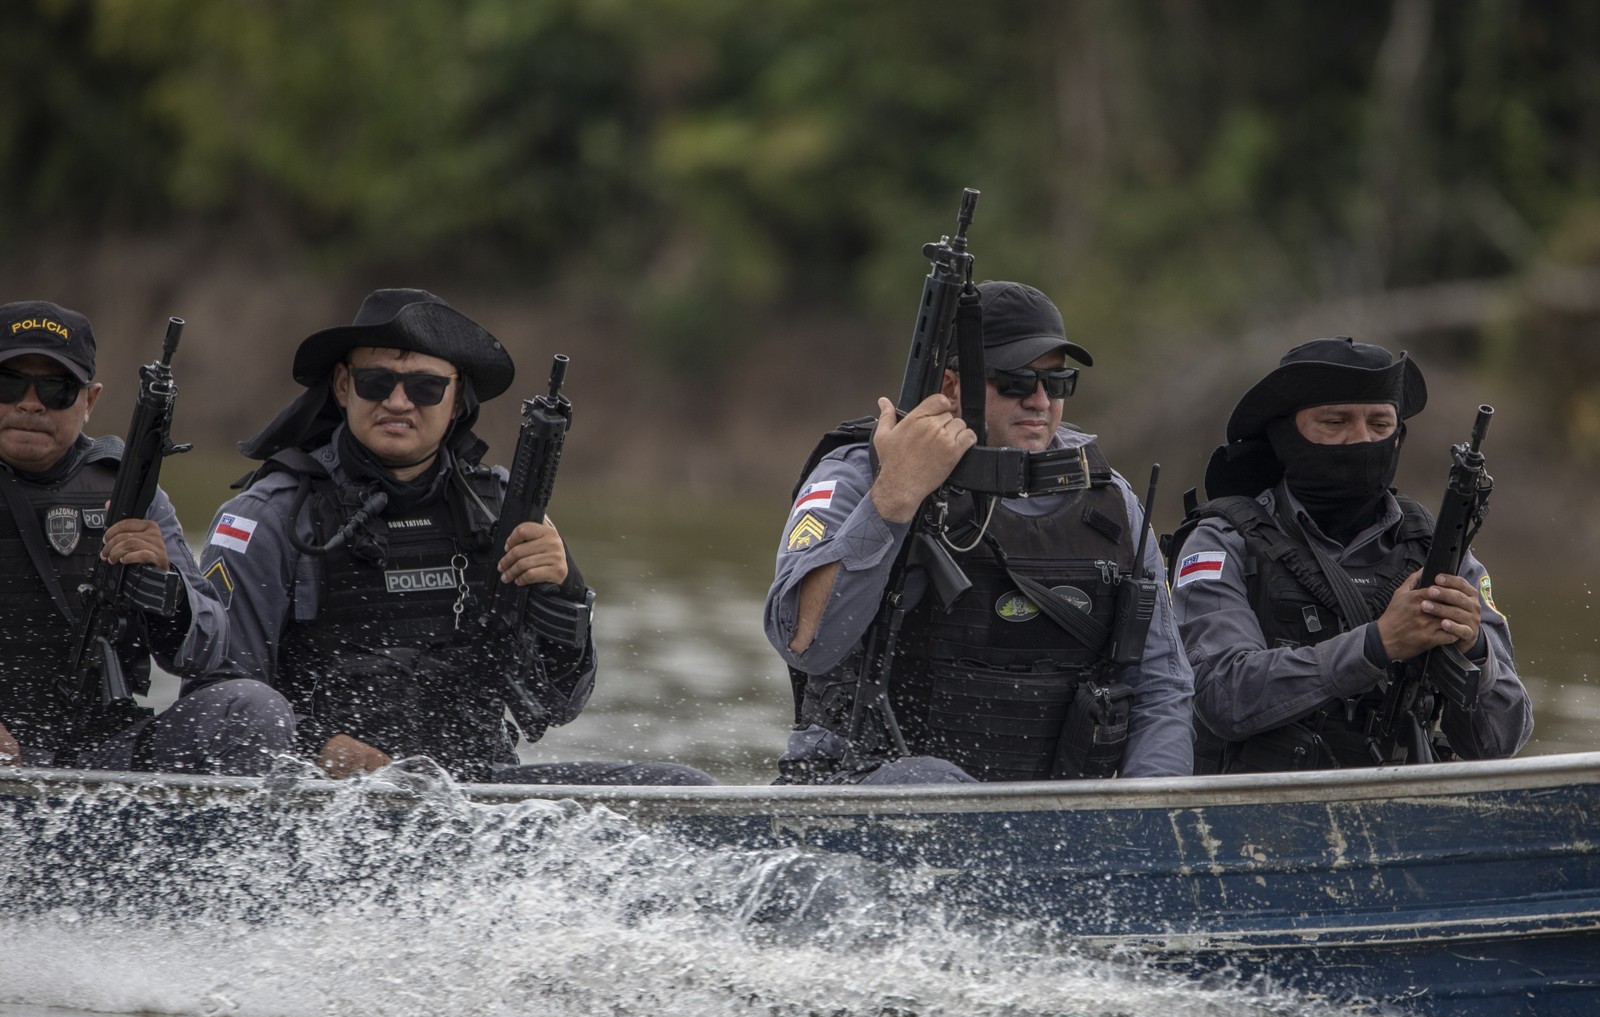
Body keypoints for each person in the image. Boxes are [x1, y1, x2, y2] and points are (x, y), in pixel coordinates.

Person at [198, 288, 712, 785]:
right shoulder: (267, 520)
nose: (398, 402)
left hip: (478, 799)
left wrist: (566, 589)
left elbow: (557, 705)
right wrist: (314, 749)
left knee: (684, 789)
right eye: (377, 382)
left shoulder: (505, 511)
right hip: (328, 806)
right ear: (342, 386)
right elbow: (217, 706)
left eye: (425, 387)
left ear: (457, 399)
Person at [765, 280, 1195, 784]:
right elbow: (804, 641)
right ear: (952, 387)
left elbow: (1161, 686)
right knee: (927, 783)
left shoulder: (1111, 500)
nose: (1040, 401)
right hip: (869, 794)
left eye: (1057, 383)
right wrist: (894, 499)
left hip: (1047, 821)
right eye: (1015, 382)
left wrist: (1144, 821)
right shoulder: (859, 476)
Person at [1168, 337, 1532, 773]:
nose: (1361, 440)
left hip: (1400, 815)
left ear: (1398, 437)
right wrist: (1377, 644)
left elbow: (1502, 743)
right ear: (1284, 435)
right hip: (1254, 817)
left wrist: (1474, 651)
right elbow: (1223, 696)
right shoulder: (1223, 541)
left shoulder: (1437, 551)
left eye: (1380, 424)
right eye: (1335, 421)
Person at [0, 300, 292, 774]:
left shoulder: (133, 496)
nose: (30, 402)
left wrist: (167, 588)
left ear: (90, 401)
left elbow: (211, 651)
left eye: (56, 388)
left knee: (254, 709)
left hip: (106, 762)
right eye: (9, 383)